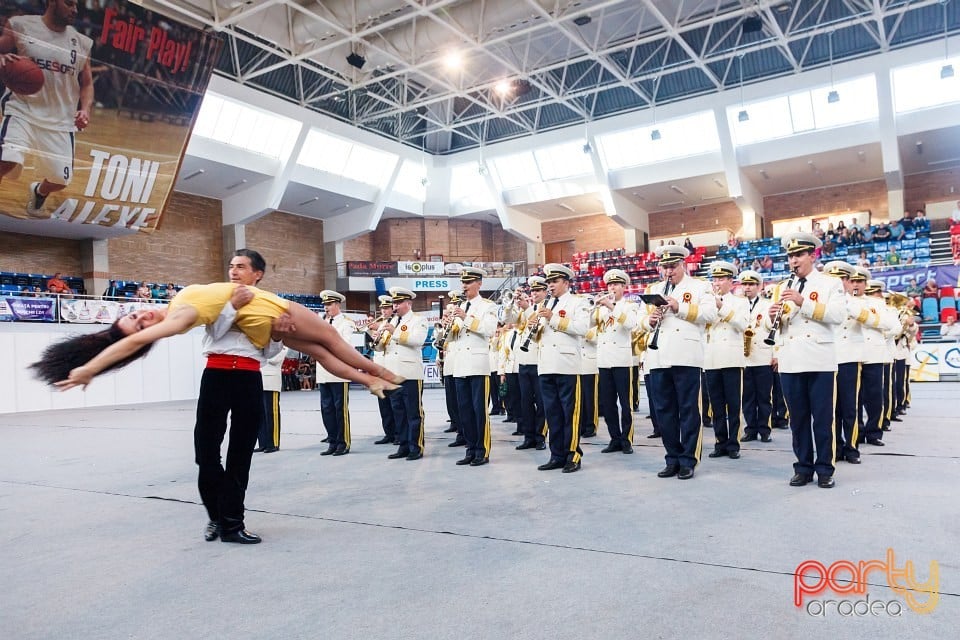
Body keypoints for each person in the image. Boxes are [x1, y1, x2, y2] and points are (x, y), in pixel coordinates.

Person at [0, 0, 94, 218]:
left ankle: (39, 191)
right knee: (6, 160)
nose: (75, 10)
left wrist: (86, 110)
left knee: (60, 181)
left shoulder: (80, 42)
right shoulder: (21, 25)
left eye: (77, 5)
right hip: (22, 108)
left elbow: (87, 82)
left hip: (60, 120)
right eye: (69, 4)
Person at [766, 232, 845, 489]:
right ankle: (802, 467)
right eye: (790, 256)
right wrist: (771, 316)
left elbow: (837, 316)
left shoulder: (829, 283)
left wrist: (803, 302)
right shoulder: (780, 287)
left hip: (820, 360)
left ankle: (824, 469)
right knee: (797, 419)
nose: (793, 261)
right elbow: (777, 326)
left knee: (822, 419)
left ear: (813, 255)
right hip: (791, 360)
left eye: (799, 255)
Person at [640, 245, 718, 480]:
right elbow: (638, 320)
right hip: (658, 356)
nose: (668, 271)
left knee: (688, 409)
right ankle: (672, 457)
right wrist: (649, 320)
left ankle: (688, 459)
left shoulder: (699, 286)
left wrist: (678, 307)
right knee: (664, 411)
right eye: (664, 266)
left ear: (683, 264)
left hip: (686, 355)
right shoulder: (653, 288)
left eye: (672, 266)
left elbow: (710, 315)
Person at [536, 264, 589, 473]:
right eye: (548, 282)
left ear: (566, 283)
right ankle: (556, 454)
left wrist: (553, 318)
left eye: (554, 281)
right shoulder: (544, 304)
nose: (550, 286)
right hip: (546, 364)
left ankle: (572, 455)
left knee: (570, 413)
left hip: (567, 365)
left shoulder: (578, 302)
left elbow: (583, 328)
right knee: (553, 414)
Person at [450, 267, 498, 466]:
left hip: (478, 365)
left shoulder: (488, 306)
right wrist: (449, 325)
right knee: (465, 410)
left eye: (468, 282)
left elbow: (489, 330)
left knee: (479, 410)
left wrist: (465, 318)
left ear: (479, 284)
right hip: (460, 365)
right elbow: (454, 337)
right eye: (463, 283)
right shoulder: (460, 306)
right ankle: (470, 448)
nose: (465, 286)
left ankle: (482, 450)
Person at [704, 261, 749, 461]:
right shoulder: (706, 301)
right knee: (717, 405)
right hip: (711, 358)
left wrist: (721, 307)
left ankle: (734, 443)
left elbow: (742, 325)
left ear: (731, 282)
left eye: (721, 279)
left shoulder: (740, 302)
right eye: (715, 279)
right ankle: (720, 442)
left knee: (733, 404)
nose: (717, 283)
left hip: (731, 358)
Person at [596, 269, 639, 455]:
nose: (611, 288)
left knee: (625, 403)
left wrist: (612, 306)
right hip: (604, 360)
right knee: (608, 403)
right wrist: (596, 306)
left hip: (622, 361)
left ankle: (626, 439)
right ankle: (614, 438)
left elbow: (631, 324)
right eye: (609, 285)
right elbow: (588, 326)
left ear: (623, 287)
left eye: (615, 285)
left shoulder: (629, 306)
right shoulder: (601, 308)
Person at [382, 287, 428, 461]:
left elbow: (418, 340)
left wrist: (395, 333)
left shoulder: (419, 320)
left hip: (410, 373)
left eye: (399, 302)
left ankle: (416, 446)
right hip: (393, 373)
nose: (395, 306)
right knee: (398, 411)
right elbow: (382, 347)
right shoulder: (393, 321)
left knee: (413, 412)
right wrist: (378, 338)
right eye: (394, 302)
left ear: (408, 303)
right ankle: (403, 445)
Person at [315, 290, 356, 456]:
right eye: (325, 305)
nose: (326, 308)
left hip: (339, 372)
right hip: (323, 371)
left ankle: (343, 442)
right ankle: (332, 441)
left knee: (340, 409)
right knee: (326, 409)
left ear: (338, 305)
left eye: (329, 304)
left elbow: (345, 346)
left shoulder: (346, 323)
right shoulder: (321, 322)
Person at [739, 270, 774, 443]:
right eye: (745, 284)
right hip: (742, 357)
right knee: (747, 396)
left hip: (762, 355)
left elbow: (776, 330)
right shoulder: (736, 304)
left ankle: (765, 429)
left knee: (764, 396)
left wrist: (776, 355)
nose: (747, 288)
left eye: (751, 284)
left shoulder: (768, 305)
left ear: (759, 286)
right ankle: (750, 429)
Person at [515, 277, 547, 451]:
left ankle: (540, 436)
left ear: (545, 292)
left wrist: (526, 309)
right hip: (524, 360)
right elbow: (508, 318)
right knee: (525, 402)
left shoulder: (546, 308)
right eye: (532, 291)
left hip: (539, 361)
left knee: (541, 403)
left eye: (538, 291)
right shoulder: (526, 309)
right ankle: (528, 436)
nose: (534, 293)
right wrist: (514, 303)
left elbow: (537, 324)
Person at [368, 295, 398, 445]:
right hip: (380, 367)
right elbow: (377, 347)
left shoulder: (396, 323)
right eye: (382, 308)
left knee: (396, 404)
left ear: (393, 309)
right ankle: (389, 432)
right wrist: (372, 334)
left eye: (386, 308)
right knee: (383, 403)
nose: (383, 311)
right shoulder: (381, 324)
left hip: (391, 368)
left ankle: (399, 433)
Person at [256, 346, 287, 455]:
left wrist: (261, 353)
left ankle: (273, 443)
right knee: (260, 414)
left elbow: (274, 359)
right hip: (259, 380)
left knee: (271, 414)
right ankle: (263, 443)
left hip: (271, 381)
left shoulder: (281, 344)